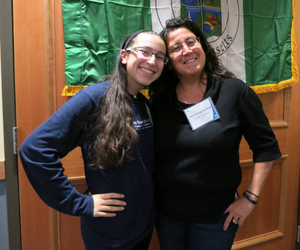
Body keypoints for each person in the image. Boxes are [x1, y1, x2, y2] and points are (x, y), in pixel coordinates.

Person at [19, 30, 167, 250]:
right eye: (144, 51)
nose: (152, 60)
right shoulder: (94, 98)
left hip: (142, 227)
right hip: (109, 235)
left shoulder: (143, 103)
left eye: (160, 56)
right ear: (124, 56)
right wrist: (80, 203)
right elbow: (34, 149)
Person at [149, 17, 282, 250]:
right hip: (167, 217)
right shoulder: (158, 102)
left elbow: (267, 148)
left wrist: (250, 198)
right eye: (176, 48)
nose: (187, 50)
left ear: (202, 46)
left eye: (191, 42)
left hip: (216, 219)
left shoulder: (234, 92)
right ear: (168, 62)